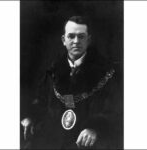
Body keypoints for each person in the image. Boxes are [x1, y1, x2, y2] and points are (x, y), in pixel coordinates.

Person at [21, 16, 123, 149]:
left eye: (81, 36)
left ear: (88, 40)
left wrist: (96, 128)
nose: (76, 41)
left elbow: (116, 112)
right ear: (64, 40)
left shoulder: (107, 73)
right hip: (54, 139)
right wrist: (30, 116)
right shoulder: (52, 72)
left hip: (87, 144)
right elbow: (41, 102)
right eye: (71, 36)